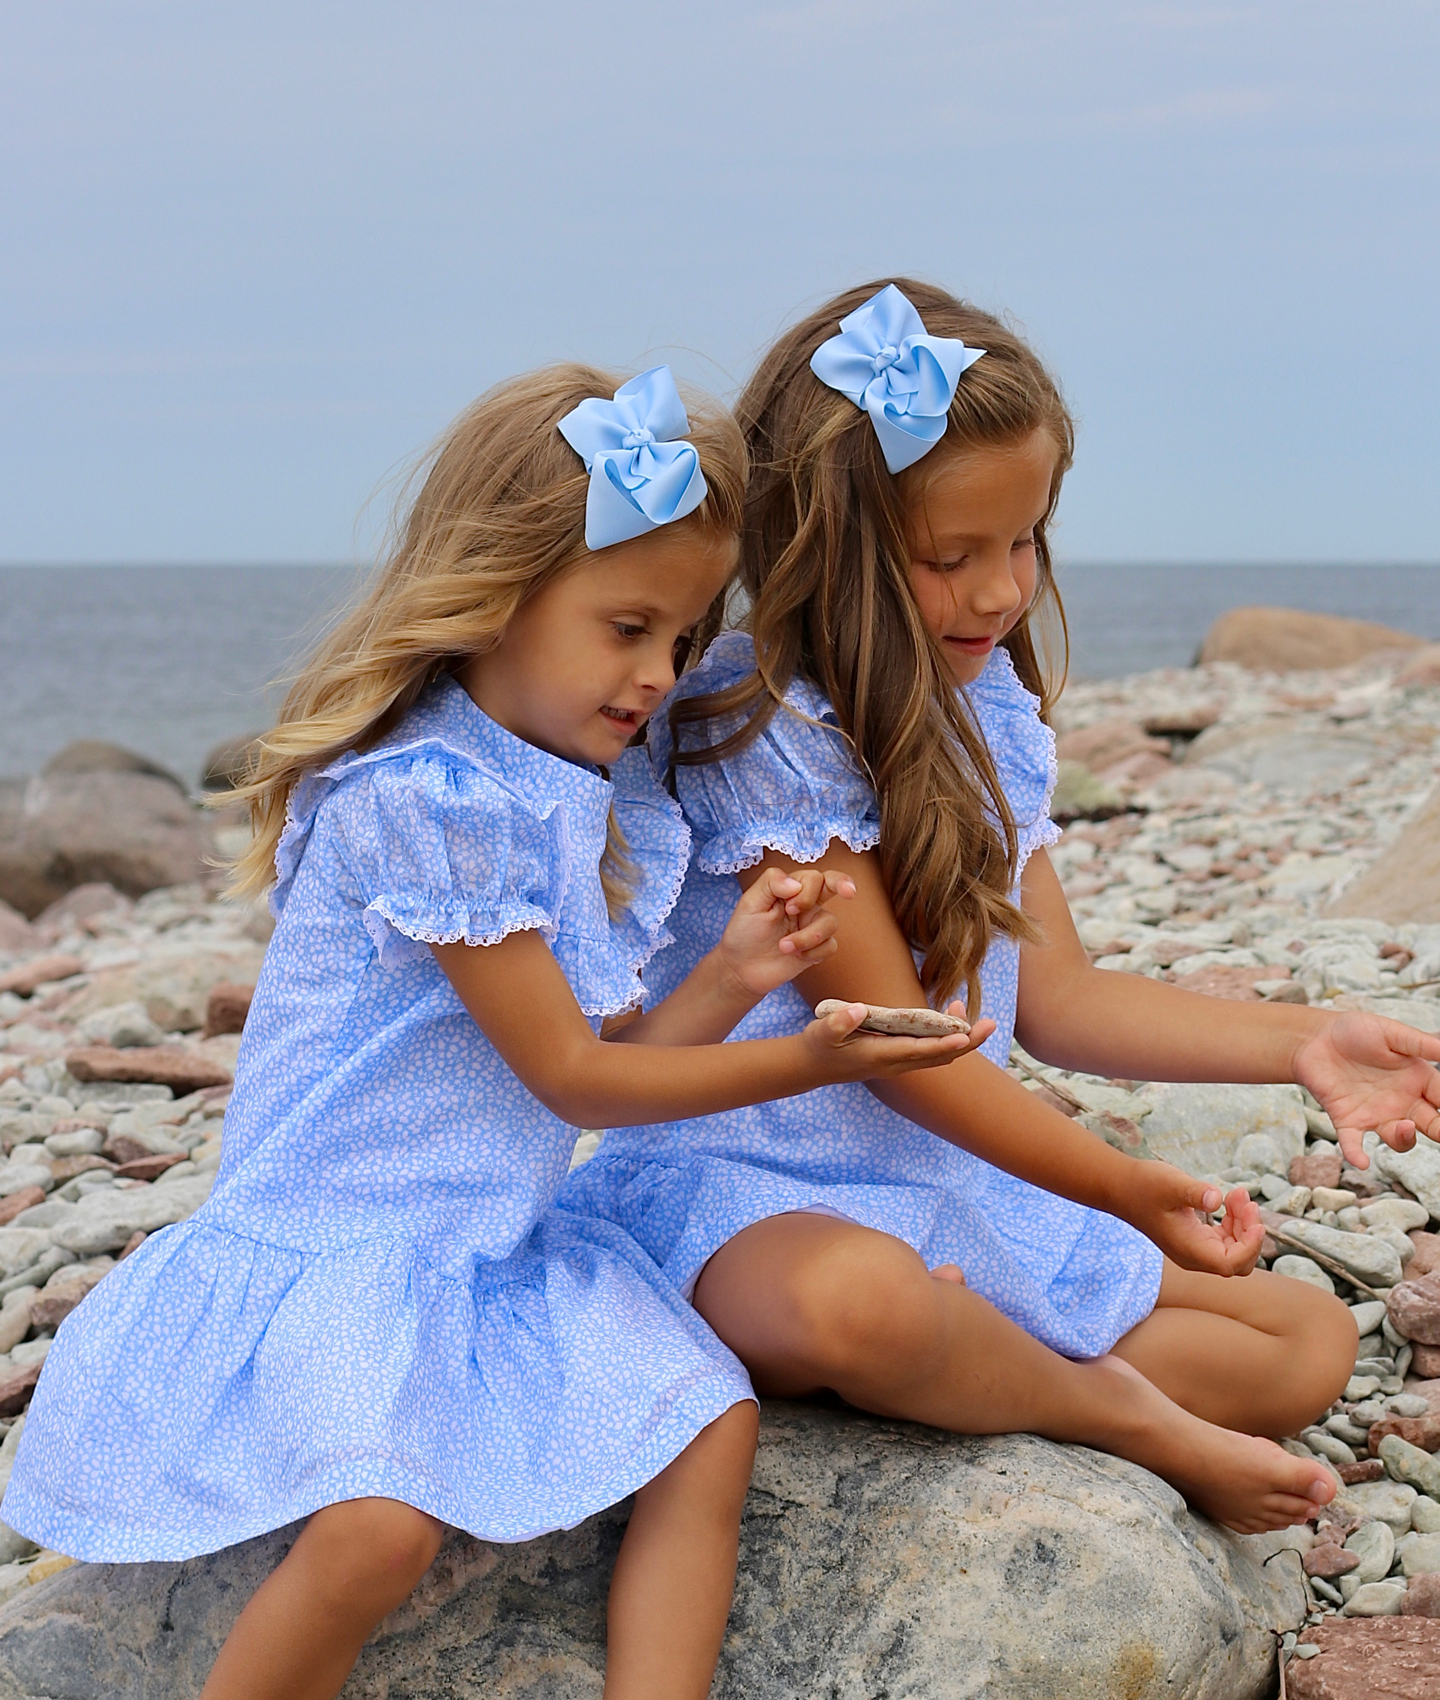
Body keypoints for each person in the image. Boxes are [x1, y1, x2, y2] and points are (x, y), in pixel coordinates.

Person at [2, 363, 977, 1700]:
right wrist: (813, 1055)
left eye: (687, 639)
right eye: (628, 626)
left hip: (480, 1248)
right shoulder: (435, 798)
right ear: (493, 594)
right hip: (340, 1249)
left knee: (706, 1421)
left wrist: (742, 971)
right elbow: (573, 1078)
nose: (659, 676)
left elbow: (614, 1053)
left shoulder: (563, 792)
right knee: (376, 1531)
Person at [562, 283, 1440, 1536]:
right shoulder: (759, 728)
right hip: (745, 1178)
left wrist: (1301, 1044)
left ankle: (970, 1364)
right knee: (856, 1302)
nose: (1000, 592)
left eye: (1023, 542)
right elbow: (902, 1050)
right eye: (950, 558)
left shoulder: (991, 727)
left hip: (933, 1175)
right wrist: (1127, 1183)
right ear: (832, 546)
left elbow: (1064, 1000)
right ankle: (1116, 1412)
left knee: (1300, 1342)